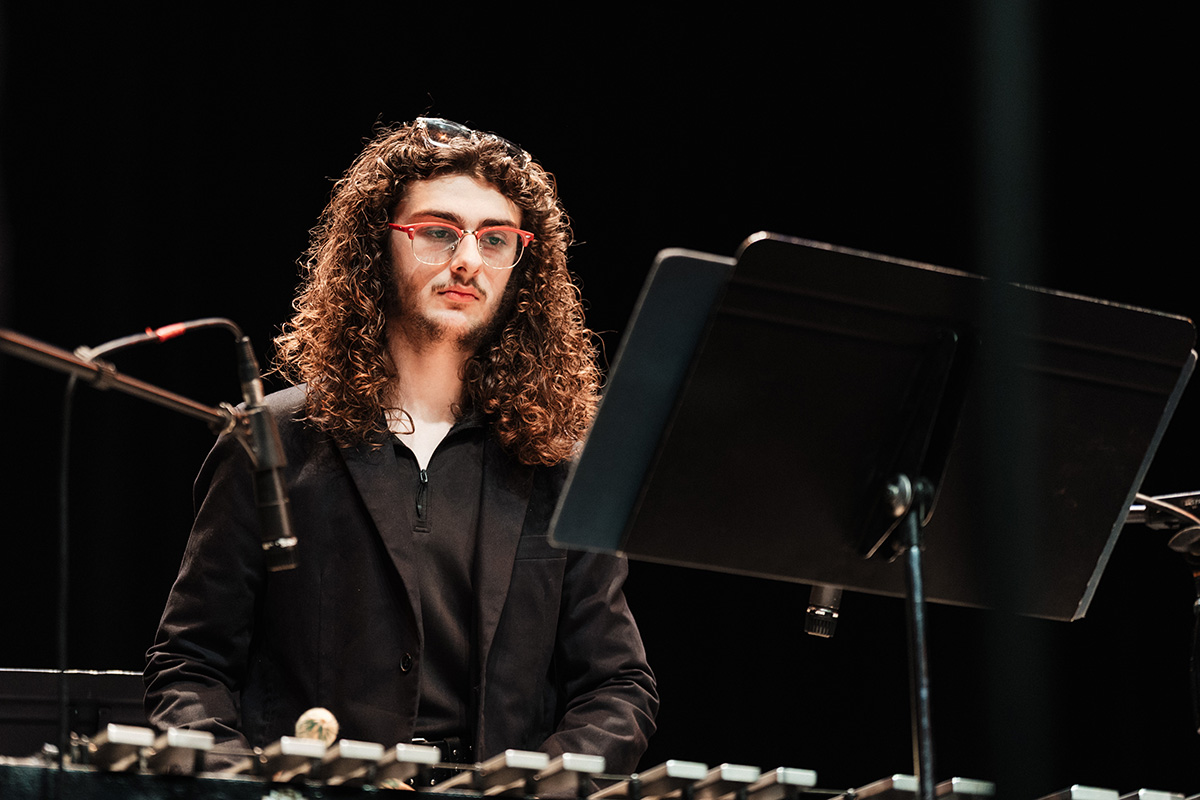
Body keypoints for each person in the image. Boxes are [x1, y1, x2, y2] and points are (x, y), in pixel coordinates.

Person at [143, 117, 659, 776]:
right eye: (439, 232)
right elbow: (190, 667)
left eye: (496, 239)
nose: (468, 260)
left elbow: (617, 690)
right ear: (375, 247)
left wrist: (532, 789)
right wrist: (242, 788)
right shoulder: (270, 443)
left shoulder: (562, 467)